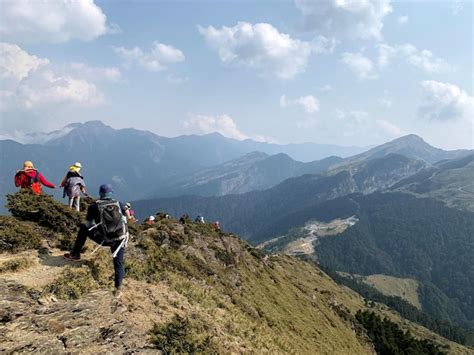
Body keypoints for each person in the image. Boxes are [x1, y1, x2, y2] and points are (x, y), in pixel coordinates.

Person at [64, 184, 128, 297]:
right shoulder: (119, 204)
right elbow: (124, 221)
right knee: (118, 262)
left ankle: (75, 253)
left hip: (104, 239)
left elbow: (88, 224)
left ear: (100, 193)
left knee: (84, 228)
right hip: (120, 239)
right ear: (111, 193)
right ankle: (118, 288)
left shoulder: (94, 206)